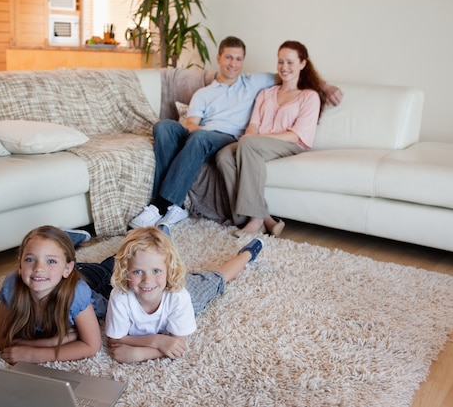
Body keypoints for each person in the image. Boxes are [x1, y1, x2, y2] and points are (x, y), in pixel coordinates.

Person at [129, 36, 343, 230]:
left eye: (238, 59)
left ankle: (160, 204)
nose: (233, 63)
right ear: (219, 58)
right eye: (229, 57)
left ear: (243, 61)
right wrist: (201, 130)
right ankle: (170, 207)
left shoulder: (255, 82)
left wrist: (325, 86)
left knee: (200, 138)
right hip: (203, 135)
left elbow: (294, 75)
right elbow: (191, 124)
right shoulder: (204, 93)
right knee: (163, 127)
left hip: (226, 138)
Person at [101, 225, 264, 363]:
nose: (147, 280)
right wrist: (157, 340)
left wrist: (139, 353)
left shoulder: (179, 296)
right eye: (137, 271)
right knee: (158, 261)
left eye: (156, 270)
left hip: (180, 289)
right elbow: (115, 340)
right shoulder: (120, 296)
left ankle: (247, 254)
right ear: (125, 272)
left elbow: (177, 345)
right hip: (164, 283)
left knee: (219, 278)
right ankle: (163, 239)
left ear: (169, 270)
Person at [216, 41, 327, 237]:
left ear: (303, 64)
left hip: (289, 144)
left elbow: (296, 134)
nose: (284, 68)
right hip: (258, 143)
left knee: (248, 144)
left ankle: (256, 220)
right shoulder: (266, 93)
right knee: (224, 154)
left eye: (290, 62)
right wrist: (250, 136)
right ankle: (257, 216)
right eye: (281, 62)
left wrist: (253, 139)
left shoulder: (309, 96)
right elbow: (254, 125)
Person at [0, 225, 107, 364]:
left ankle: (70, 238)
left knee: (119, 264)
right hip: (58, 274)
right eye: (30, 259)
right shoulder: (12, 287)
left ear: (67, 269)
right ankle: (66, 241)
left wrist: (38, 354)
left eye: (51, 261)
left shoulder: (77, 293)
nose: (39, 268)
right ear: (20, 265)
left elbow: (92, 346)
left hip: (96, 280)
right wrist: (50, 342)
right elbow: (0, 340)